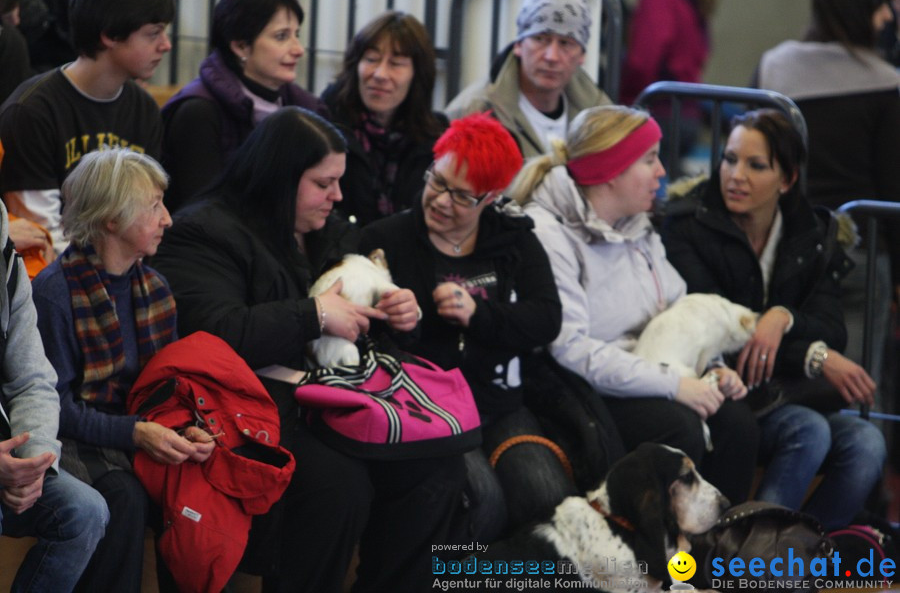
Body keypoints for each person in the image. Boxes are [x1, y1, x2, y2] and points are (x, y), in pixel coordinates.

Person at [151, 106, 466, 593]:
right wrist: (314, 313)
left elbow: (362, 319)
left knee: (437, 467)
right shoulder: (203, 231)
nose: (337, 195)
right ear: (280, 179)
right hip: (249, 408)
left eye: (338, 182)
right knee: (337, 485)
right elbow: (213, 332)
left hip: (333, 397)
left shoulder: (329, 229)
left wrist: (397, 314)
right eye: (324, 183)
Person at [508, 105, 758, 504]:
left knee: (737, 423)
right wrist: (675, 385)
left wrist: (711, 368)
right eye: (649, 159)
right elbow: (569, 347)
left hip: (655, 373)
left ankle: (718, 553)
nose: (662, 172)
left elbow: (679, 311)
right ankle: (655, 556)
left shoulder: (637, 224)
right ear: (610, 172)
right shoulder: (549, 232)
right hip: (583, 389)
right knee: (679, 429)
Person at [662, 109, 886, 530]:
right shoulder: (688, 224)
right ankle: (752, 553)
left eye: (755, 165)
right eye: (729, 159)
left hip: (782, 393)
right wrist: (816, 356)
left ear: (786, 180)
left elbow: (830, 324)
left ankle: (792, 558)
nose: (735, 175)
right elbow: (715, 325)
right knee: (810, 432)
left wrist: (782, 319)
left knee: (868, 443)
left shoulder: (812, 232)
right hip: (720, 391)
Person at [359, 113, 573, 538]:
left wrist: (479, 314)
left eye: (462, 197)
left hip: (497, 403)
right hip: (426, 405)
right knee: (480, 500)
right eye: (436, 181)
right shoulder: (386, 239)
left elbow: (546, 319)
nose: (440, 201)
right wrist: (402, 320)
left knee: (547, 493)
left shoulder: (513, 239)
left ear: (491, 198)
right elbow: (362, 336)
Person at [31, 148, 216, 592]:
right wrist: (135, 432)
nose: (167, 218)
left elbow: (168, 386)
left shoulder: (154, 287)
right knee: (124, 497)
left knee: (198, 488)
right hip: (76, 439)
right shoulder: (54, 294)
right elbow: (55, 409)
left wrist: (187, 427)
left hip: (139, 428)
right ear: (111, 220)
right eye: (153, 206)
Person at [753, 0, 900, 401]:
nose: (889, 13)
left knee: (783, 390)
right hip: (861, 256)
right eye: (881, 3)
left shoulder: (773, 67)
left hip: (782, 247)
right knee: (857, 393)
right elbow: (892, 191)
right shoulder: (886, 82)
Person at [0, 0, 174, 258]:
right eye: (153, 34)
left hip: (124, 265)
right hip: (57, 275)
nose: (166, 45)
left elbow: (147, 212)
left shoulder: (144, 108)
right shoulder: (32, 111)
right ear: (110, 35)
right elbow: (41, 234)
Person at [0, 197, 108, 592]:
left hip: (6, 458)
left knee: (86, 510)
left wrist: (34, 465)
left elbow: (32, 378)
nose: (167, 219)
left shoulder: (7, 263)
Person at [161, 0, 327, 212]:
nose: (298, 49)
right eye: (281, 36)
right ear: (241, 46)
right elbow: (203, 214)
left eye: (296, 34)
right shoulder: (198, 112)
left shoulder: (307, 108)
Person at [445, 0, 611, 158]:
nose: (551, 56)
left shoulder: (601, 117)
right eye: (540, 39)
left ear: (582, 55)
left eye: (565, 43)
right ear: (518, 44)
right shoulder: (474, 111)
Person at [321, 10, 448, 226]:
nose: (380, 74)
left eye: (396, 63)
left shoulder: (437, 137)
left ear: (418, 74)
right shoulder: (324, 124)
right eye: (371, 59)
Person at [620, 0, 718, 164]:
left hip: (657, 115)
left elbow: (642, 63)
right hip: (686, 117)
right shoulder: (692, 1)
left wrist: (619, 100)